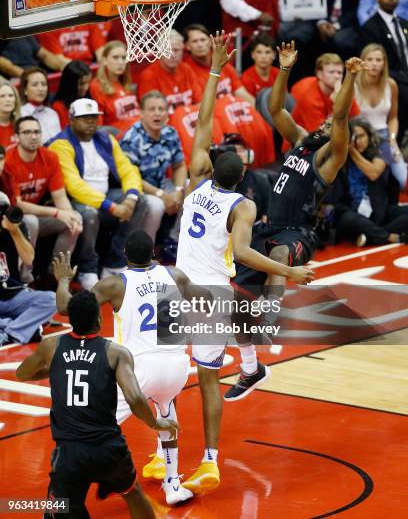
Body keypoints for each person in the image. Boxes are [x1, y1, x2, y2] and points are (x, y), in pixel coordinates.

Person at [167, 32, 314, 493]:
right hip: (205, 289)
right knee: (197, 362)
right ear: (245, 175)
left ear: (210, 165)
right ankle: (250, 368)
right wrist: (291, 272)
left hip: (202, 290)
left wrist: (214, 70)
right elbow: (248, 252)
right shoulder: (243, 207)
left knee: (203, 376)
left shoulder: (195, 179)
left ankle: (210, 458)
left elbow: (205, 118)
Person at [224, 41, 367, 402]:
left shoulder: (329, 160)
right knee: (234, 300)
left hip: (300, 233)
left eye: (334, 121)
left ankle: (269, 323)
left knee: (282, 256)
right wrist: (285, 69)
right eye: (326, 118)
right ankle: (251, 367)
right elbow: (274, 108)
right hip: (269, 227)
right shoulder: (302, 141)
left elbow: (341, 113)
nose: (327, 120)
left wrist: (349, 78)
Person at [51, 232, 214, 505]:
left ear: (125, 255)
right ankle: (172, 484)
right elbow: (206, 300)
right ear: (154, 253)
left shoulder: (116, 284)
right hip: (176, 367)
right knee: (167, 414)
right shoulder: (175, 275)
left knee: (94, 428)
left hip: (140, 369)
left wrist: (64, 280)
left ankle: (78, 486)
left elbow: (66, 308)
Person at [16, 287, 179, 518]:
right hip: (108, 449)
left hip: (70, 453)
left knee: (57, 509)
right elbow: (134, 397)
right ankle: (110, 483)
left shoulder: (51, 347)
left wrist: (55, 370)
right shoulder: (116, 353)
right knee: (133, 492)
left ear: (70, 320)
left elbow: (22, 374)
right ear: (100, 319)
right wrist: (155, 424)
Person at [48, 98, 146, 290]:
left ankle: (115, 262)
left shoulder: (105, 139)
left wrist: (131, 199)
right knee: (89, 214)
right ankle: (88, 269)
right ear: (71, 119)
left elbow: (128, 169)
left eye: (94, 117)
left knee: (141, 201)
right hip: (74, 201)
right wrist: (112, 206)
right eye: (84, 118)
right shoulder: (60, 144)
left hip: (106, 195)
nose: (91, 121)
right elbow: (74, 185)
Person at [5, 116, 83, 280]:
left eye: (36, 132)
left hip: (39, 214)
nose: (33, 136)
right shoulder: (8, 160)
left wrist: (69, 215)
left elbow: (60, 196)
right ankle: (25, 277)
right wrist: (56, 213)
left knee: (74, 219)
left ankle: (55, 274)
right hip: (12, 218)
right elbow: (19, 205)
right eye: (27, 132)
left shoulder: (50, 157)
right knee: (31, 220)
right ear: (17, 137)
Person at [0, 162, 56, 347]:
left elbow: (29, 259)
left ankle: (11, 331)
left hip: (12, 294)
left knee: (51, 300)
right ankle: (23, 327)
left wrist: (14, 232)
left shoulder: (14, 226)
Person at [120, 91, 187, 244]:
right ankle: (145, 250)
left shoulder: (170, 133)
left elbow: (179, 165)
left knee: (191, 188)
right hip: (137, 188)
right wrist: (161, 195)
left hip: (162, 184)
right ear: (141, 113)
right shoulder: (132, 139)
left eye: (161, 109)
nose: (157, 114)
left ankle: (175, 240)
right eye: (151, 109)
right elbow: (131, 177)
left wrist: (177, 191)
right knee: (156, 206)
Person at [334, 117, 408, 246]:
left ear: (369, 134)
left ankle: (369, 237)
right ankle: (388, 236)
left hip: (379, 210)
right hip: (355, 213)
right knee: (346, 218)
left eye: (361, 136)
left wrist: (352, 151)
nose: (358, 141)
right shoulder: (342, 157)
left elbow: (374, 173)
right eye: (354, 138)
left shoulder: (384, 146)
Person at [360, 0, 408, 147]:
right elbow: (372, 64)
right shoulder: (370, 27)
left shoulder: (403, 23)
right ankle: (398, 144)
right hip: (388, 79)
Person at [355, 43, 407, 189]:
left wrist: (392, 139)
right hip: (359, 138)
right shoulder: (353, 84)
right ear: (362, 60)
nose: (374, 64)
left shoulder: (391, 85)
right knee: (368, 179)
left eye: (379, 60)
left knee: (402, 177)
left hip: (384, 136)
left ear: (384, 63)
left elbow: (392, 118)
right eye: (370, 59)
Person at [183, 24, 255, 105]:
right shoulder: (186, 70)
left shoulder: (220, 59)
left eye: (203, 40)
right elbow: (201, 107)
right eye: (194, 41)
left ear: (211, 42)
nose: (200, 45)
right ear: (187, 46)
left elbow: (241, 92)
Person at [290, 52, 360, 134]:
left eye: (339, 73)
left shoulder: (342, 91)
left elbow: (356, 119)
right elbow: (320, 134)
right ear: (319, 74)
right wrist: (338, 105)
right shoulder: (309, 96)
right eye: (331, 72)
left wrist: (343, 98)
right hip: (302, 142)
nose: (337, 76)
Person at [138, 30, 201, 113]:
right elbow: (152, 115)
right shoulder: (149, 76)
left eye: (176, 50)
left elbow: (201, 102)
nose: (172, 55)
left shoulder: (186, 69)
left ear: (182, 50)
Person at [90, 41, 141, 138]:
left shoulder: (125, 83)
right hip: (121, 140)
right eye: (115, 57)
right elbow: (99, 127)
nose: (121, 62)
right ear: (104, 60)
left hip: (140, 134)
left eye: (124, 58)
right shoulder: (96, 86)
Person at [20, 67, 61, 144]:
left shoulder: (52, 113)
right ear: (25, 90)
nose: (41, 89)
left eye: (44, 84)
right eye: (35, 85)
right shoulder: (20, 114)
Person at [0, 35, 70, 79]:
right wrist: (30, 77)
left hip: (39, 73)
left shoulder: (21, 33)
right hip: (17, 79)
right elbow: (8, 67)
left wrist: (64, 67)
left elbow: (44, 55)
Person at [37, 24, 107, 64]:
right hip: (64, 69)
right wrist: (80, 68)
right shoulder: (50, 28)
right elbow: (58, 59)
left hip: (90, 64)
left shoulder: (89, 22)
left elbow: (100, 52)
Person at [53, 60, 93, 129]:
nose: (86, 87)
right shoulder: (58, 107)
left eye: (88, 82)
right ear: (71, 84)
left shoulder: (90, 97)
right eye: (81, 84)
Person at [0, 81, 20, 150]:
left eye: (11, 95)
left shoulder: (21, 126)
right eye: (2, 96)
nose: (7, 100)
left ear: (16, 100)